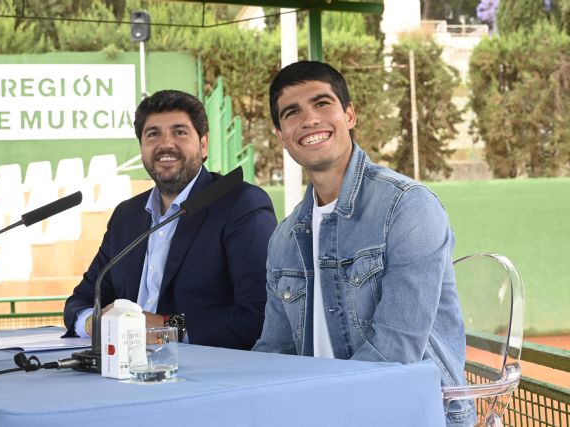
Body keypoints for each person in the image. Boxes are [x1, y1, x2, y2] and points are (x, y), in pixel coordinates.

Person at [252, 61, 475, 426]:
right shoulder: (284, 238)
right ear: (281, 135)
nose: (309, 119)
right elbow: (273, 352)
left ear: (350, 115)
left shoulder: (407, 206)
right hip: (317, 413)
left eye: (322, 103)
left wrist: (317, 409)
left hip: (412, 414)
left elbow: (395, 353)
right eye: (292, 112)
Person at [64, 89, 277, 350]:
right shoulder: (127, 215)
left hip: (201, 376)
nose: (166, 144)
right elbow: (81, 300)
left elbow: (258, 314)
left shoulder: (241, 204)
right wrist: (94, 325)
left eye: (180, 132)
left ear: (204, 144)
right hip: (119, 368)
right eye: (153, 134)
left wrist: (165, 328)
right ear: (141, 146)